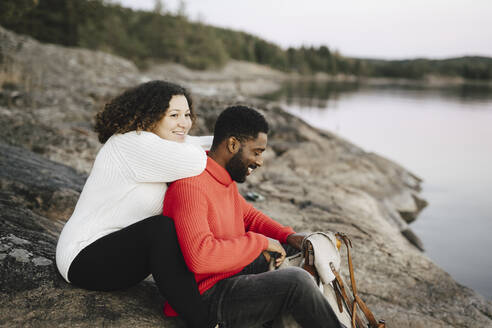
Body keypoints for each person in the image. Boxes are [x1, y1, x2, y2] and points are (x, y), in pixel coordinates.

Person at [162, 106, 344, 328]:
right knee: (297, 282)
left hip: (232, 273)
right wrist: (261, 243)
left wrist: (288, 236)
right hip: (208, 297)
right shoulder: (190, 186)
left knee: (306, 247)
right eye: (256, 152)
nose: (260, 161)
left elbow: (249, 216)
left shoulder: (221, 177)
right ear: (232, 145)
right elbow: (201, 257)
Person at [55, 80, 216, 328]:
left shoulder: (156, 143)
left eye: (187, 114)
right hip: (82, 258)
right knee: (161, 229)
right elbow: (195, 161)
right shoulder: (131, 143)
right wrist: (225, 148)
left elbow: (191, 142)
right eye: (174, 115)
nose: (184, 123)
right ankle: (204, 322)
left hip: (117, 257)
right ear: (150, 117)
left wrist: (226, 141)